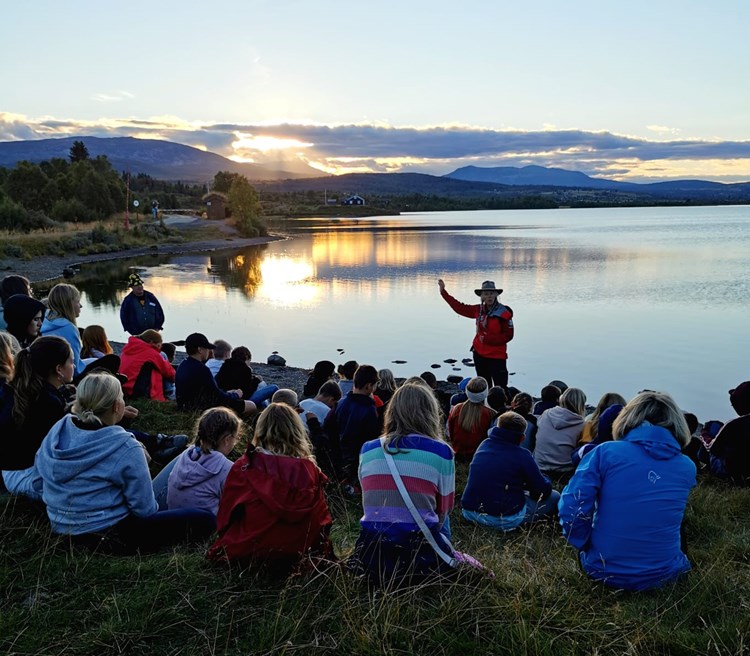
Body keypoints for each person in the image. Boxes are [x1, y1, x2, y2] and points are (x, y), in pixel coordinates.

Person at [35, 372, 215, 553]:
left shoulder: (60, 429)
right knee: (205, 519)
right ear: (116, 406)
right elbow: (145, 511)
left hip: (61, 527)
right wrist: (141, 462)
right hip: (110, 535)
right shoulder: (125, 446)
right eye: (121, 397)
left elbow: (40, 467)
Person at [559, 391, 696, 591]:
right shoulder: (687, 466)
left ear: (628, 418)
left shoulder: (605, 453)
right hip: (666, 575)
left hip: (602, 570)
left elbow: (572, 506)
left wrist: (583, 542)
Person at [349, 382, 485, 585]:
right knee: (438, 517)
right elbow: (444, 510)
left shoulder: (368, 449)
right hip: (419, 550)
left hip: (373, 548)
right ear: (430, 412)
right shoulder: (441, 451)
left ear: (392, 411)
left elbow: (367, 498)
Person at [207, 403, 334, 574]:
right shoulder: (308, 470)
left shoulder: (244, 466)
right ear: (296, 430)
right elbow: (321, 519)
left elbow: (226, 515)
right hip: (298, 553)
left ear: (261, 429)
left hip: (250, 551)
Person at [0, 336, 74, 499]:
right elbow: (64, 450)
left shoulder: (27, 390)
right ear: (59, 369)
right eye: (71, 361)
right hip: (26, 478)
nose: (73, 366)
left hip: (10, 472)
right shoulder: (47, 401)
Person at [462, 411, 559, 531]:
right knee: (555, 496)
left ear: (496, 428)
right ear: (522, 438)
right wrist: (546, 480)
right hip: (502, 519)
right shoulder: (523, 455)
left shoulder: (484, 444)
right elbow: (541, 491)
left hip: (469, 512)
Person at [438, 279, 514, 389]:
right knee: (484, 386)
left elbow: (509, 335)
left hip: (497, 356)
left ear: (496, 294)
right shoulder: (478, 310)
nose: (489, 296)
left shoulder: (504, 313)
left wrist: (488, 340)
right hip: (479, 354)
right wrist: (443, 292)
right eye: (486, 294)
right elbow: (459, 307)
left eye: (491, 293)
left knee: (500, 387)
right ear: (482, 296)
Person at [167, 407, 242, 515]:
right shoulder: (227, 468)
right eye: (236, 438)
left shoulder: (187, 455)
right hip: (204, 526)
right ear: (227, 440)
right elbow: (235, 504)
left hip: (172, 518)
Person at [323, 364, 382, 483]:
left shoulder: (342, 402)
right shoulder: (369, 409)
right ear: (369, 386)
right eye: (375, 385)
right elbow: (371, 437)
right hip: (356, 459)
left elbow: (329, 425)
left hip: (338, 455)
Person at [175, 333, 255, 416]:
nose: (208, 351)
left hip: (185, 406)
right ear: (199, 349)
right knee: (251, 406)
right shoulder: (202, 370)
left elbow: (210, 391)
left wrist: (227, 393)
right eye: (206, 348)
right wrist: (235, 395)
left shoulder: (183, 364)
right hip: (202, 408)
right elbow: (218, 397)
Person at [533, 387, 587, 475]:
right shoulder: (582, 425)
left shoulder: (547, 413)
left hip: (539, 465)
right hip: (564, 470)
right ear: (581, 404)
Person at [708, 382, 750, 485]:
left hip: (734, 474)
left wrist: (705, 435)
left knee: (712, 427)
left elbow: (713, 449)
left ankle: (705, 471)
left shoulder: (734, 425)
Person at [447, 376, 497, 461]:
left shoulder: (455, 409)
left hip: (457, 453)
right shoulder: (491, 414)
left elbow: (449, 433)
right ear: (485, 393)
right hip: (479, 455)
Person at [41, 283, 85, 376]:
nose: (80, 306)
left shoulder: (43, 320)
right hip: (64, 375)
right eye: (78, 301)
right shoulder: (68, 328)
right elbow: (75, 369)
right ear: (69, 304)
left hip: (46, 372)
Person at [119, 329, 175, 402]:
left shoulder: (128, 347)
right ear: (151, 342)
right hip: (136, 392)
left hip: (123, 388)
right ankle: (170, 395)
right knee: (162, 357)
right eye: (159, 345)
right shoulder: (151, 353)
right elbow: (170, 373)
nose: (159, 349)